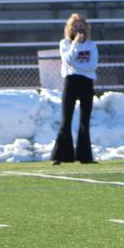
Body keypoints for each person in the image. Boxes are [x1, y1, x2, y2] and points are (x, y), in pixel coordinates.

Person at [51, 13, 97, 164]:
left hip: (87, 83)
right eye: (75, 27)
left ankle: (85, 157)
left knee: (85, 120)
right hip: (71, 82)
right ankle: (61, 156)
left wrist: (78, 67)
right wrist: (76, 44)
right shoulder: (65, 43)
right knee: (67, 119)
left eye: (81, 26)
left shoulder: (91, 45)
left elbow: (92, 66)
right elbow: (68, 60)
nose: (79, 29)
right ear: (70, 29)